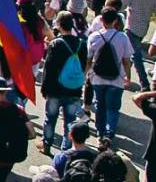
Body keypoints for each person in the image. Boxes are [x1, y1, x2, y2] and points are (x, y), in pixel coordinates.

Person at [39, 10, 86, 153]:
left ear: (58, 24)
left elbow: (49, 68)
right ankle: (66, 149)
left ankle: (47, 144)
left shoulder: (56, 44)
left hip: (55, 89)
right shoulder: (81, 44)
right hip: (73, 89)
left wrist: (44, 88)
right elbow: (83, 66)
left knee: (50, 118)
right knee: (70, 121)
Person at [87, 8, 133, 140]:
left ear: (101, 20)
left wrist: (86, 74)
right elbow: (126, 60)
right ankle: (109, 133)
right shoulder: (122, 37)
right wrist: (128, 77)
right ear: (115, 21)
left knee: (100, 106)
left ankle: (100, 133)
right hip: (116, 79)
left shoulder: (94, 37)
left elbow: (89, 60)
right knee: (112, 108)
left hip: (97, 78)